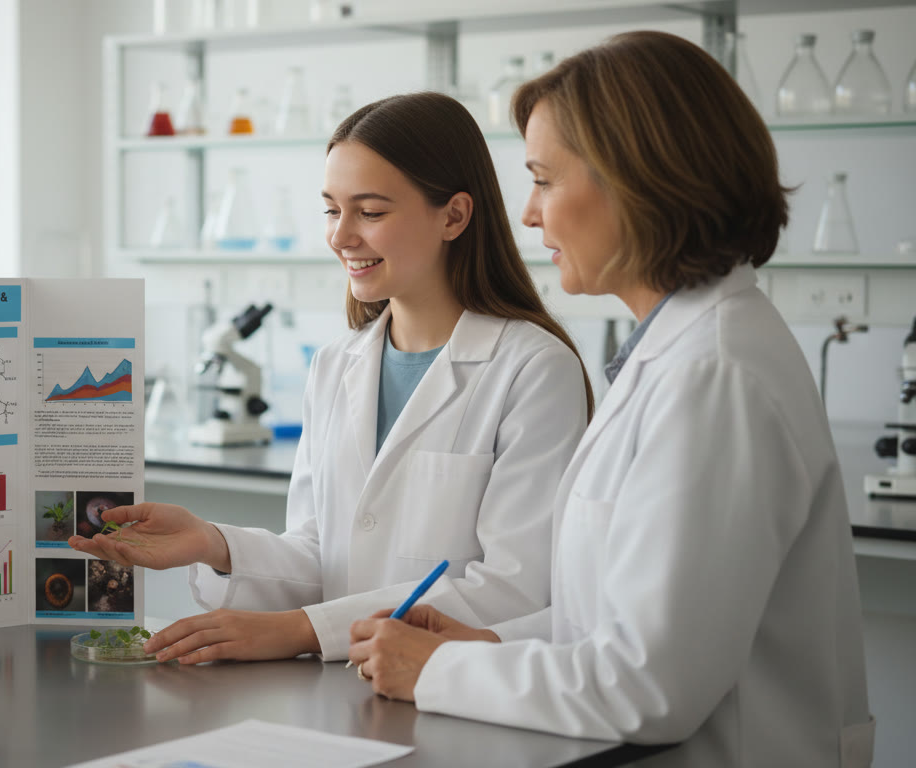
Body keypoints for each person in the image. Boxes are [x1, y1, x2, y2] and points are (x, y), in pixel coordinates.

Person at [347, 31, 874, 767]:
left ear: (635, 181)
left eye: (543, 180)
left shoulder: (713, 376)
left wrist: (437, 671)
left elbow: (649, 685)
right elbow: (614, 622)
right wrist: (486, 644)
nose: (529, 214)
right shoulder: (679, 354)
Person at [70, 91, 592, 665]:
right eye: (331, 210)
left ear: (454, 216)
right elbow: (323, 556)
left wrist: (302, 631)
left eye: (370, 212)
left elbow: (513, 591)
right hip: (344, 690)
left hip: (455, 691)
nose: (341, 236)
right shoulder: (335, 364)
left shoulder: (533, 370)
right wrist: (213, 544)